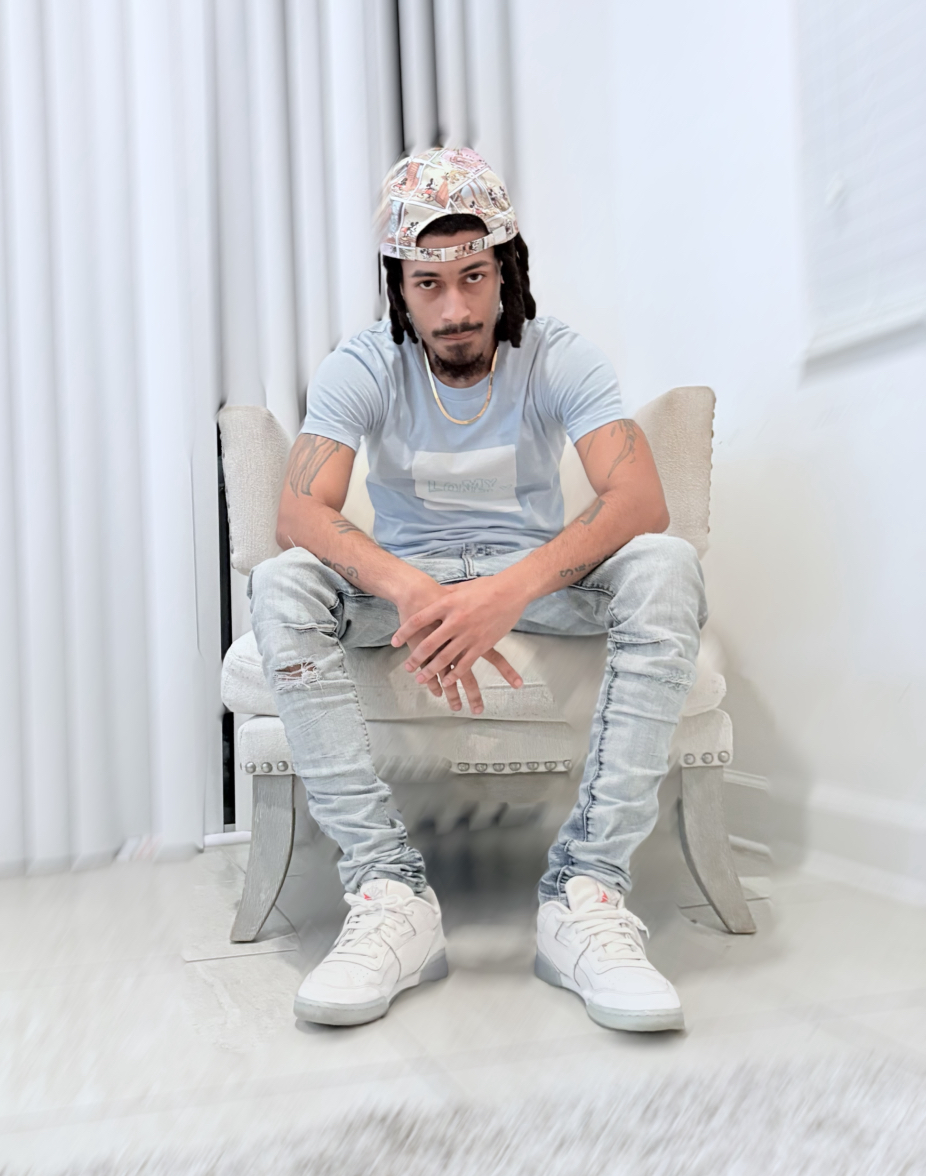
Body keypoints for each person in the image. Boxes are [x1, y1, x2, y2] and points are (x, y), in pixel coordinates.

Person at [248, 147, 705, 1033]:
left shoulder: (559, 354)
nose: (455, 310)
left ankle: (586, 895)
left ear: (507, 271)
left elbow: (641, 501)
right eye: (428, 284)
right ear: (399, 287)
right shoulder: (361, 364)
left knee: (668, 563)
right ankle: (388, 893)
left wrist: (507, 591)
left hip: (534, 582)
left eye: (474, 278)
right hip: (406, 585)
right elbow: (299, 512)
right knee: (282, 583)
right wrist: (411, 589)